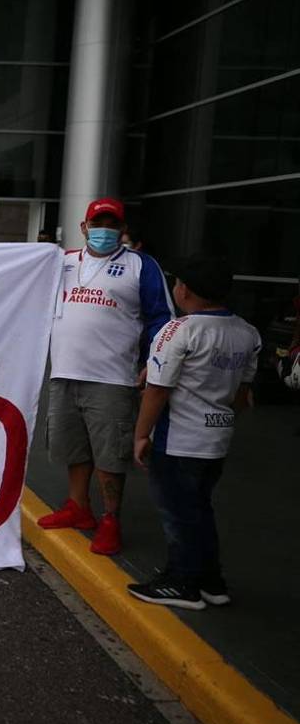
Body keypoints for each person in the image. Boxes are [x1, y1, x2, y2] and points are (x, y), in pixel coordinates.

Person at [37, 197, 173, 555]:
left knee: (111, 453)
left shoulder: (140, 266)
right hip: (65, 371)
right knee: (74, 445)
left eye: (112, 225)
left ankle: (111, 518)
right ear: (84, 227)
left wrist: (153, 361)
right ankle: (78, 506)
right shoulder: (61, 262)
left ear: (122, 230)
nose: (104, 232)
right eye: (97, 225)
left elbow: (161, 318)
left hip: (113, 377)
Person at [129, 257, 259, 609]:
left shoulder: (178, 330)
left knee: (177, 513)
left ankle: (181, 582)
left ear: (184, 289)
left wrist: (141, 435)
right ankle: (211, 581)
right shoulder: (247, 332)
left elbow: (158, 390)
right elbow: (242, 396)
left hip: (179, 441)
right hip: (216, 440)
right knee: (199, 509)